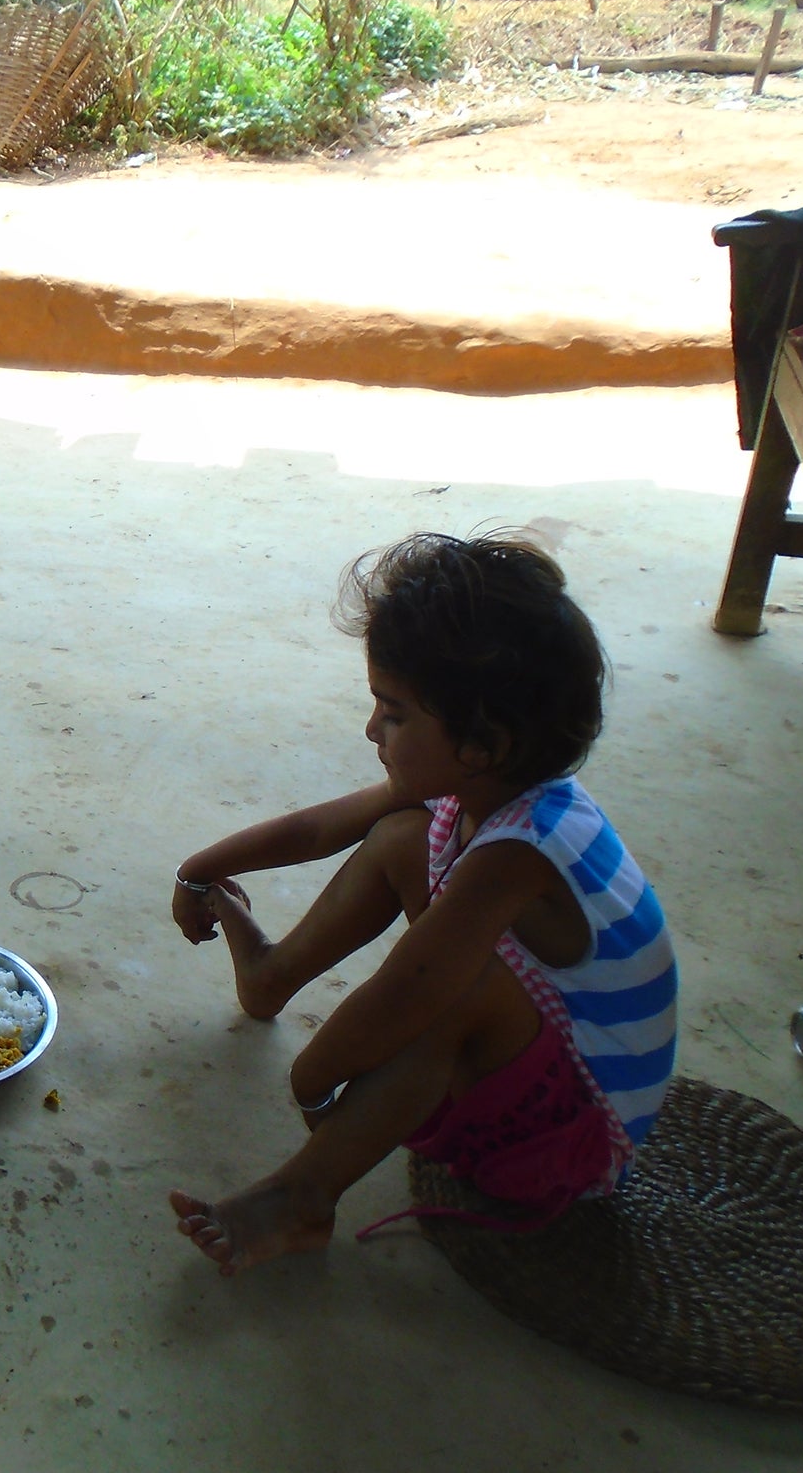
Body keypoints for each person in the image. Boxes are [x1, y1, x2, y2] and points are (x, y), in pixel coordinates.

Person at [166, 532, 677, 1276]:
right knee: (401, 834)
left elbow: (406, 993)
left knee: (449, 995)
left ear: (482, 742)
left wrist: (313, 1077)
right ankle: (271, 975)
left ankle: (303, 1196)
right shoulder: (487, 780)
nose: (372, 729)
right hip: (538, 1062)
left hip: (572, 1142)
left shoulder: (520, 852)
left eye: (394, 713)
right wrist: (199, 871)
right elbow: (320, 827)